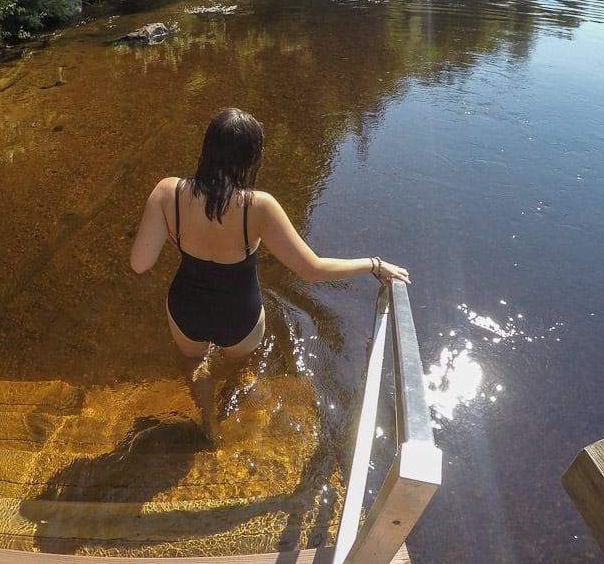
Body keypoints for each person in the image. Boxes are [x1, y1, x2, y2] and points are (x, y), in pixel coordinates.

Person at [130, 108, 410, 435]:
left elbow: (140, 263)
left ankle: (207, 421)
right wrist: (373, 264)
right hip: (240, 315)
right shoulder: (258, 206)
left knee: (193, 364)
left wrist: (182, 231)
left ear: (206, 148)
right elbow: (312, 270)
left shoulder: (168, 192)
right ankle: (227, 413)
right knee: (240, 368)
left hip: (185, 309)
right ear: (252, 159)